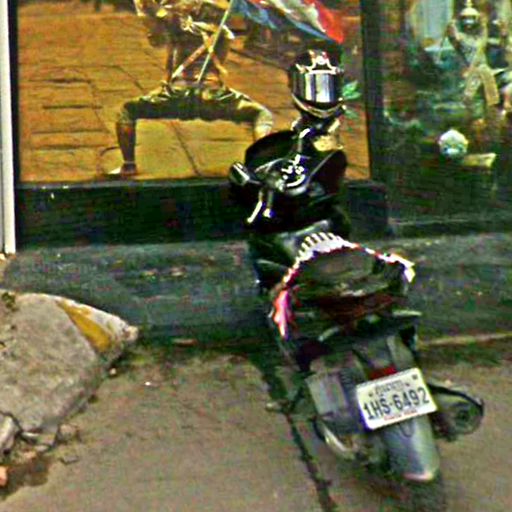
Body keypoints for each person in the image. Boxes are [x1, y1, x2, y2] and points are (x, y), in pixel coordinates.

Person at [107, 0, 274, 178]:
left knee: (127, 111)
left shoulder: (180, 26)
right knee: (262, 115)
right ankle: (262, 166)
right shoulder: (224, 34)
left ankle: (129, 166)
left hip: (177, 94)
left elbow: (157, 27)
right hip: (213, 96)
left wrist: (157, 10)